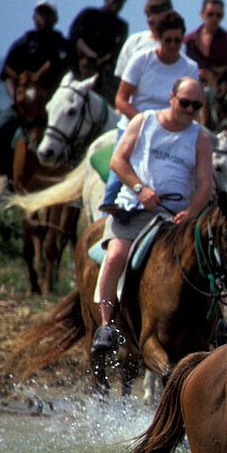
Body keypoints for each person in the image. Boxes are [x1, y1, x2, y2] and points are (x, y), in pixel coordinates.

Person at [90, 77, 213, 354]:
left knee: (208, 262)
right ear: (171, 97)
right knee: (116, 255)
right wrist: (140, 188)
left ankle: (215, 323)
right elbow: (117, 161)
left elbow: (205, 184)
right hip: (134, 208)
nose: (189, 109)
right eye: (185, 102)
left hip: (174, 217)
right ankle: (106, 325)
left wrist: (190, 213)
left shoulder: (201, 137)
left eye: (196, 105)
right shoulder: (143, 122)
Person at [100, 11, 200, 214]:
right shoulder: (141, 60)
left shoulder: (190, 67)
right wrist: (144, 123)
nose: (173, 45)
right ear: (158, 38)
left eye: (178, 40)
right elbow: (121, 99)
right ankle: (105, 230)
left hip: (174, 131)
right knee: (114, 183)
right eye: (168, 40)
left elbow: (194, 104)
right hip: (134, 126)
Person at [0, 0, 70, 176]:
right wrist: (15, 98)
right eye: (41, 14)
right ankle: (7, 176)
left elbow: (72, 72)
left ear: (55, 18)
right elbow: (7, 75)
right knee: (2, 128)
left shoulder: (63, 45)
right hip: (26, 105)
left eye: (48, 14)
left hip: (54, 102)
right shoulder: (22, 44)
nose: (44, 18)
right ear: (34, 17)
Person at [68, 0, 128, 97]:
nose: (117, 4)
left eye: (120, 1)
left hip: (105, 71)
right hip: (83, 67)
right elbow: (76, 37)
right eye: (115, 0)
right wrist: (89, 54)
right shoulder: (89, 14)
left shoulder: (121, 26)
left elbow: (119, 50)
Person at [113, 0, 172, 80]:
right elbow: (120, 75)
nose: (155, 28)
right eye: (152, 23)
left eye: (160, 23)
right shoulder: (134, 41)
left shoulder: (179, 45)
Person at [183, 0, 227, 81]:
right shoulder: (188, 40)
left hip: (221, 91)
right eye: (210, 14)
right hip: (192, 88)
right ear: (202, 13)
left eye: (218, 15)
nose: (214, 18)